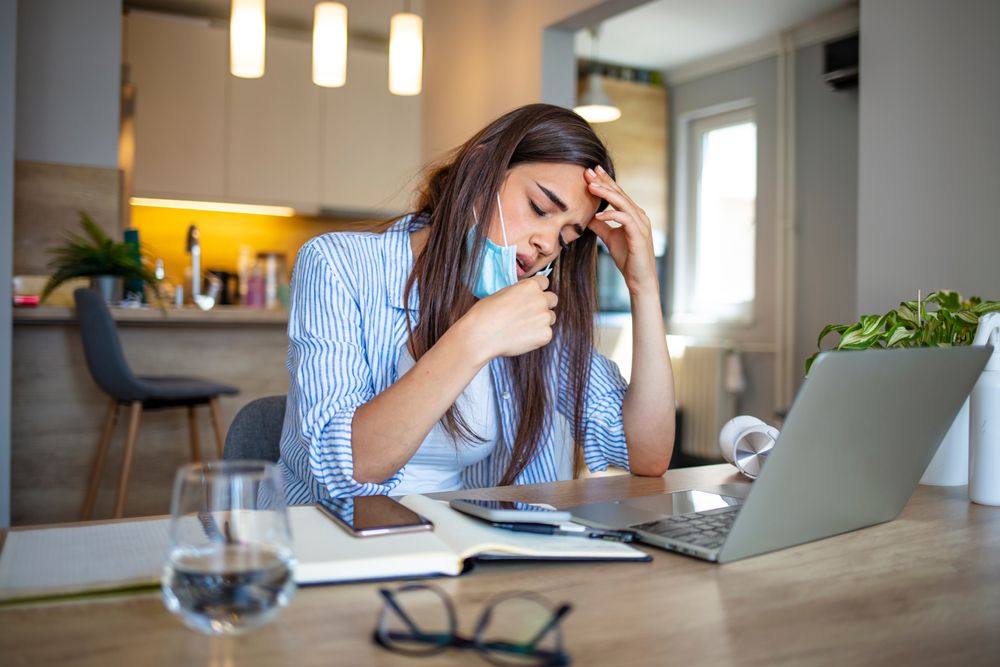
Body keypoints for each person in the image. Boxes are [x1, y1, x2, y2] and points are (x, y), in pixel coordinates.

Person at [277, 104, 675, 503]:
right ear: (481, 168)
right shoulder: (337, 264)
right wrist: (477, 336)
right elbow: (343, 469)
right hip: (333, 541)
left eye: (567, 237)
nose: (547, 244)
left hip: (457, 545)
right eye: (539, 208)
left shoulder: (535, 309)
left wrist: (644, 287)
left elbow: (646, 453)